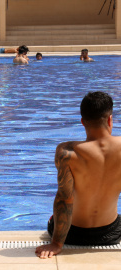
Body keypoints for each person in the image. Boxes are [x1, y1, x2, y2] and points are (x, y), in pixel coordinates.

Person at [36, 91, 121, 259]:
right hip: (111, 233)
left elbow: (64, 198)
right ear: (110, 119)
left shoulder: (67, 152)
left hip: (73, 234)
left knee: (52, 218)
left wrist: (57, 244)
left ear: (82, 122)